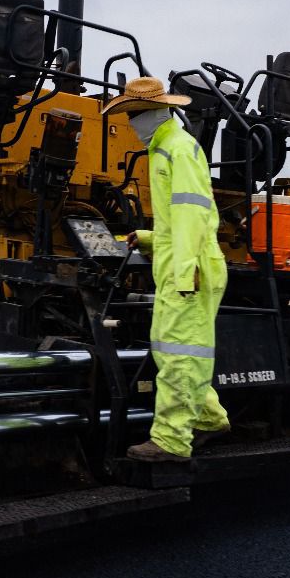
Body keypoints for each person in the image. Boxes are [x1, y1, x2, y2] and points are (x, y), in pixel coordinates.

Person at [102, 77, 231, 463]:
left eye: (134, 116)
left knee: (180, 353)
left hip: (189, 267)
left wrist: (186, 268)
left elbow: (194, 213)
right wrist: (146, 237)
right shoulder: (165, 150)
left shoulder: (177, 148)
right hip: (181, 261)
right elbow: (179, 223)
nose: (131, 125)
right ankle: (209, 418)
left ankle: (172, 441)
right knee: (172, 347)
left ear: (155, 113)